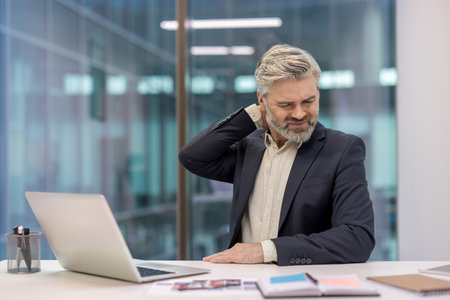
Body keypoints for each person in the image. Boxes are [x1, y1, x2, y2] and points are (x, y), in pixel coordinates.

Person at [179, 44, 375, 266]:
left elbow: (357, 238)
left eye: (308, 101)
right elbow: (193, 157)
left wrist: (265, 251)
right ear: (262, 100)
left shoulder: (342, 150)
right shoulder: (249, 149)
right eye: (286, 104)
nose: (300, 113)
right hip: (244, 283)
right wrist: (251, 116)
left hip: (302, 285)